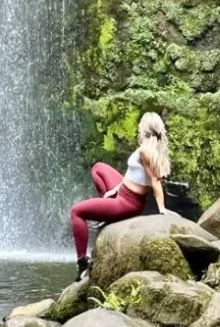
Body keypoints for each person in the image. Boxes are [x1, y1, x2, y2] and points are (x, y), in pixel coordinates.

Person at [69, 112, 175, 280]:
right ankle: (107, 207)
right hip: (123, 192)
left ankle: (82, 261)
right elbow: (133, 174)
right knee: (98, 168)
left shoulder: (146, 152)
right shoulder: (149, 148)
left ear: (144, 127)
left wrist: (162, 209)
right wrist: (115, 189)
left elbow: (155, 181)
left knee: (76, 212)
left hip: (127, 202)